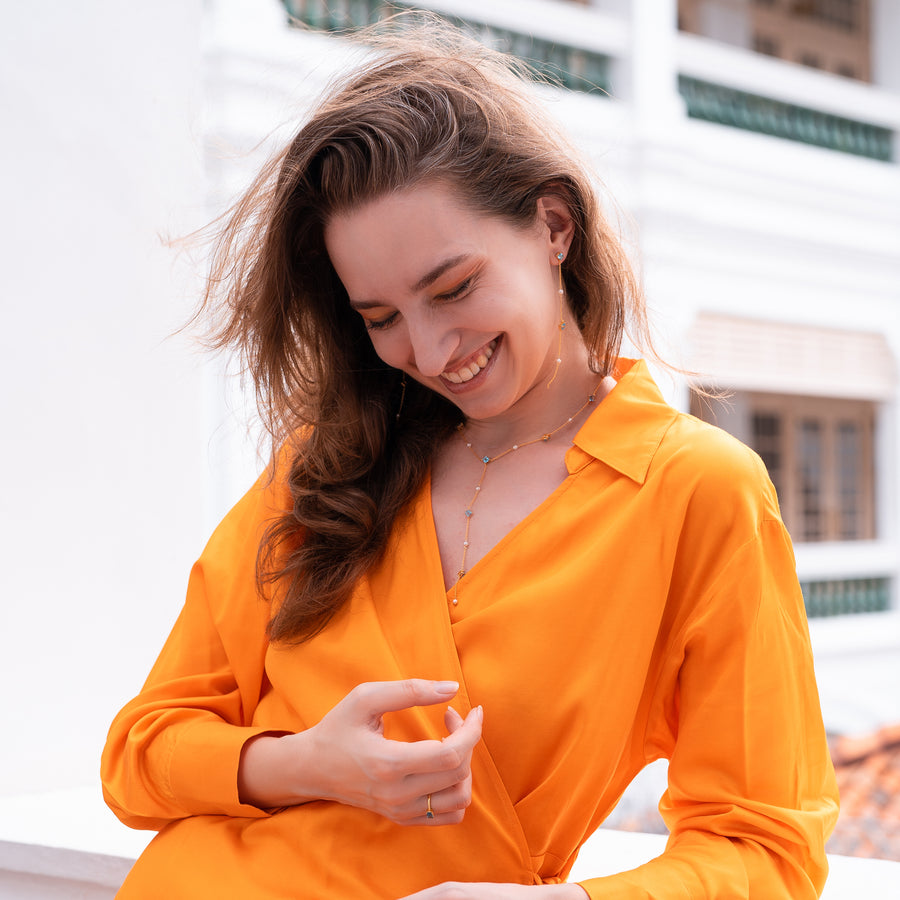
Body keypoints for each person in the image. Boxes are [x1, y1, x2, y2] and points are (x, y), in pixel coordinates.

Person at [101, 23, 839, 899]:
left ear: (553, 226)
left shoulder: (693, 492)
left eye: (453, 288)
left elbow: (766, 845)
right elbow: (137, 757)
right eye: (381, 317)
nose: (429, 347)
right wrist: (307, 765)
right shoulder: (322, 468)